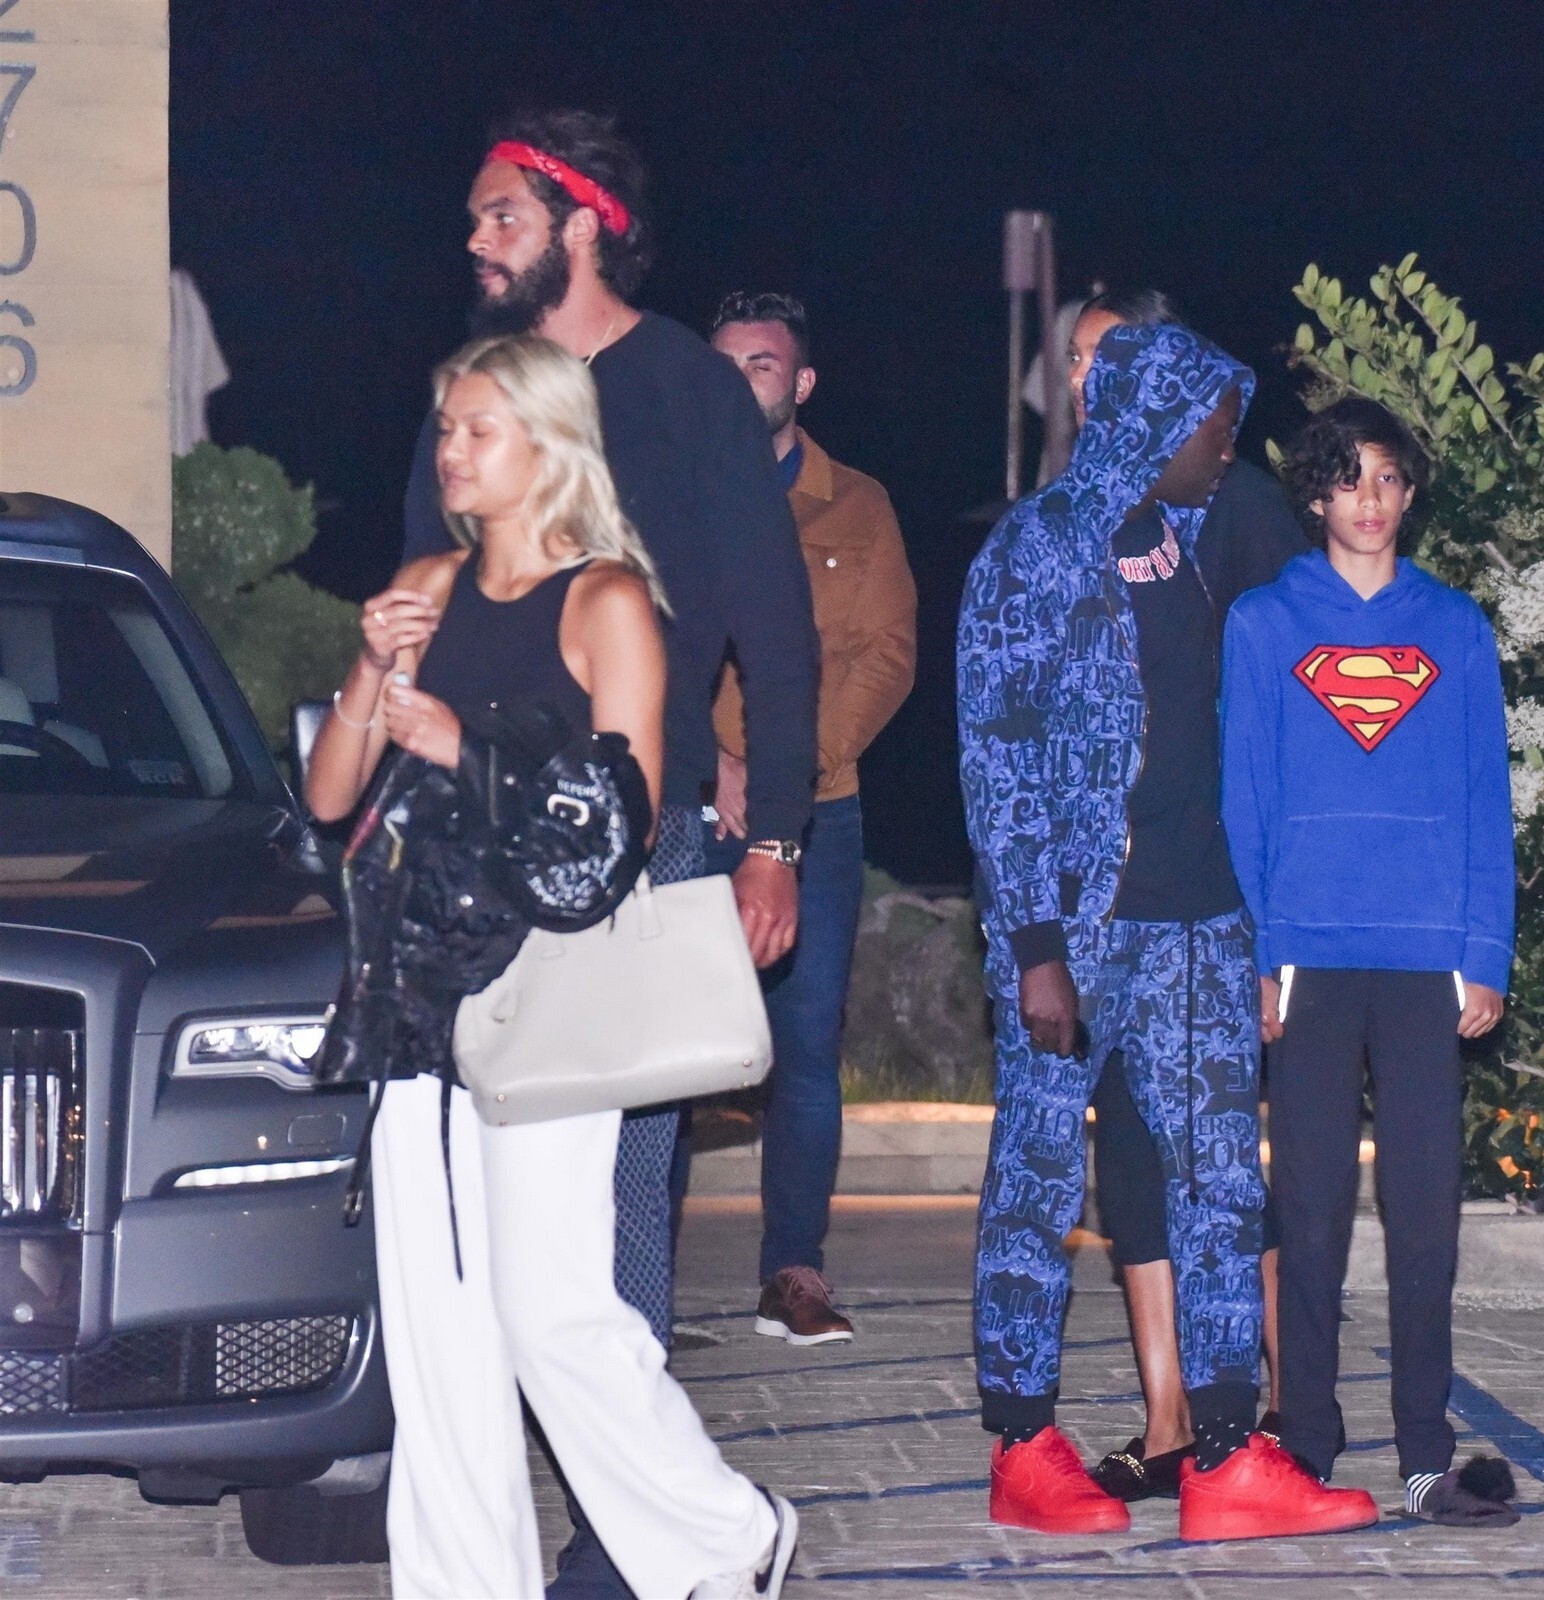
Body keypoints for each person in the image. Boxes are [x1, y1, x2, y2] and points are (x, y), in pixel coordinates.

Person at [305, 333, 800, 1599]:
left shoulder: (608, 601)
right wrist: (371, 663)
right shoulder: (425, 583)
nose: (451, 450)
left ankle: (726, 1534)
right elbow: (331, 795)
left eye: (479, 428)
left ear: (548, 442)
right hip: (420, 990)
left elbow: (622, 821)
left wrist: (458, 742)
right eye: (446, 427)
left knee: (552, 1312)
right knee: (438, 1338)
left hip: (548, 994)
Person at [395, 109, 816, 1599]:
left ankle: (631, 1542)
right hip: (461, 866)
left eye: (502, 215)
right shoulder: (476, 402)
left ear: (582, 225)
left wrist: (775, 840)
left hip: (635, 843)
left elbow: (775, 629)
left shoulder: (688, 388)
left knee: (609, 1213)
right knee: (474, 1251)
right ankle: (565, 1539)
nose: (476, 239)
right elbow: (426, 608)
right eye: (474, 217)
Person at [957, 321, 1377, 1542]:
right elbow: (998, 752)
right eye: (1214, 426)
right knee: (1038, 1178)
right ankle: (1021, 1443)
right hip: (1078, 928)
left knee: (1220, 1189)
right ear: (1150, 420)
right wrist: (1033, 944)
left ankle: (1228, 1455)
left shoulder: (1181, 536)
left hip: (1201, 919)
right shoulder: (1037, 547)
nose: (1227, 447)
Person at [1219, 397, 1522, 1528]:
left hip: (1423, 959)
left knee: (1425, 1219)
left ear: (1409, 492)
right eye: (1348, 479)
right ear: (1315, 495)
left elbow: (1484, 797)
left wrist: (1483, 949)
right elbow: (1244, 797)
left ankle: (1423, 1453)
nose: (1370, 501)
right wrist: (1257, 950)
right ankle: (1305, 1441)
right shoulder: (1264, 622)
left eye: (1388, 479)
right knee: (1308, 1214)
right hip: (1307, 954)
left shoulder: (1454, 626)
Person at [1057, 289, 1308, 1503]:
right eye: (1073, 358)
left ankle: (1271, 1411)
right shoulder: (1075, 515)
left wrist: (1275, 922)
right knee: (1132, 1158)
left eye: (1108, 355)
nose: (1085, 377)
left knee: (1223, 1162)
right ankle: (1166, 1421)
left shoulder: (1241, 506)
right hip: (1111, 900)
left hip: (1217, 889)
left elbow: (1289, 719)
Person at [706, 290, 917, 1346]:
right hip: (692, 810)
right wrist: (709, 765)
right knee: (665, 1053)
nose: (742, 381)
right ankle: (631, 1291)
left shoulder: (858, 505)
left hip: (816, 814)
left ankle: (794, 1271)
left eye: (761, 364)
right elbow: (626, 641)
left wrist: (785, 776)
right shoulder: (666, 495)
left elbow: (888, 655)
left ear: (801, 382)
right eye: (726, 363)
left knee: (804, 1046)